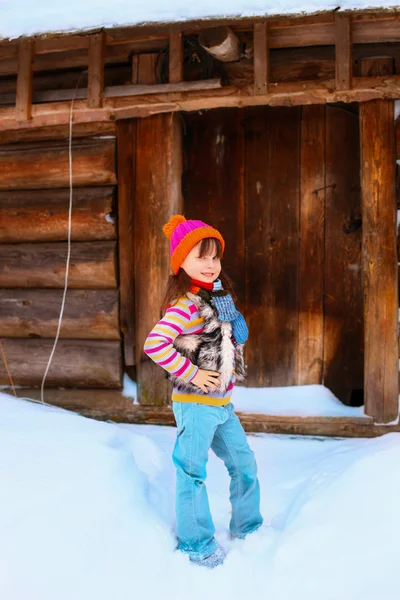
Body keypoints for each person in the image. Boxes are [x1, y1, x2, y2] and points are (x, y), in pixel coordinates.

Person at [143, 214, 263, 569]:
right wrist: (193, 373)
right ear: (182, 263)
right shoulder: (185, 306)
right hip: (196, 405)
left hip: (222, 405)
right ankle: (196, 543)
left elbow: (228, 340)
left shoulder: (217, 299)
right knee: (192, 471)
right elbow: (155, 343)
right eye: (201, 257)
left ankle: (249, 527)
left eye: (215, 257)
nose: (210, 265)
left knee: (244, 463)